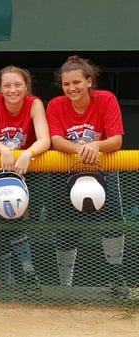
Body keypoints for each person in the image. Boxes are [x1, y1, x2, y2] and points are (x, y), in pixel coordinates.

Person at [46, 55, 125, 295]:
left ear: (89, 81)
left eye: (76, 82)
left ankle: (116, 279)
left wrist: (96, 147)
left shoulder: (105, 99)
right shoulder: (56, 105)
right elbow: (56, 140)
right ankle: (65, 287)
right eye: (66, 84)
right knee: (66, 228)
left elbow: (116, 140)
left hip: (102, 169)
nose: (71, 88)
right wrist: (82, 148)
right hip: (65, 172)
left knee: (112, 224)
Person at [0, 66, 50, 294]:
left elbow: (44, 139)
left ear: (26, 86)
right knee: (3, 221)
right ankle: (13, 277)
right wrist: (3, 149)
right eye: (7, 85)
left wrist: (27, 153)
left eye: (17, 85)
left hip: (29, 171)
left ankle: (26, 273)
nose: (12, 90)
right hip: (1, 171)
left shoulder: (34, 103)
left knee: (18, 221)